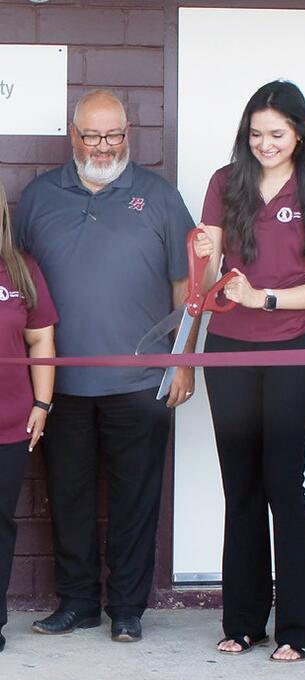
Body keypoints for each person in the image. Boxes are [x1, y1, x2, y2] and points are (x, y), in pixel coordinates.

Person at [14, 90, 195, 642]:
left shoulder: (160, 197)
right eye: (91, 135)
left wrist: (185, 363)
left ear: (128, 133)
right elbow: (17, 285)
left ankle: (127, 609)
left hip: (141, 380)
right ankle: (77, 603)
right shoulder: (40, 197)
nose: (102, 146)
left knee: (135, 497)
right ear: (73, 134)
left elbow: (187, 287)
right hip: (60, 384)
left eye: (113, 135)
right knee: (68, 495)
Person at [193, 80, 305, 662]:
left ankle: (302, 628)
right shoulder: (223, 183)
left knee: (284, 483)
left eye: (277, 133)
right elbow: (206, 265)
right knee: (240, 487)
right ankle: (242, 622)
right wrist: (207, 274)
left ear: (300, 133)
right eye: (256, 133)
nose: (265, 143)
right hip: (228, 350)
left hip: (293, 347)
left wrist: (263, 298)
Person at [0, 183, 57, 653]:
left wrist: (42, 404)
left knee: (0, 522)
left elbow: (40, 340)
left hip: (8, 423)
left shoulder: (21, 269)